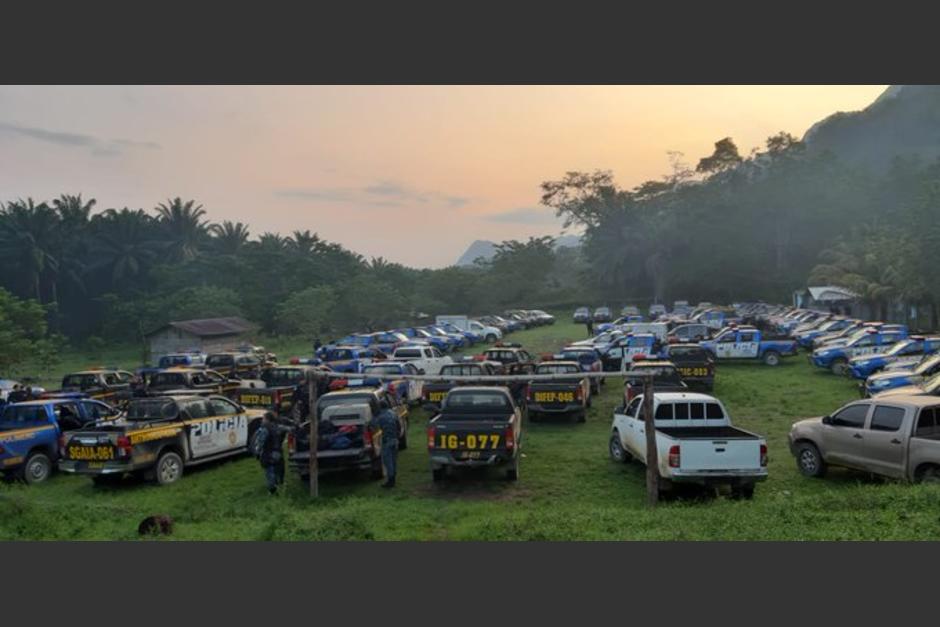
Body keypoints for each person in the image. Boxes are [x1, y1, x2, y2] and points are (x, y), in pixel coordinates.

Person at [254, 411, 292, 495]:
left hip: (268, 453)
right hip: (278, 452)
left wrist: (257, 452)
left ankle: (273, 490)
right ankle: (281, 483)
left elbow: (261, 442)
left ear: (267, 419)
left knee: (270, 471)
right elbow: (289, 429)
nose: (262, 420)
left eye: (263, 418)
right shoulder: (278, 427)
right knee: (279, 468)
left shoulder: (265, 428)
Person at [370, 398, 400, 488]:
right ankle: (393, 479)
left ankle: (390, 481)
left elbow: (373, 425)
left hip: (387, 441)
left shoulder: (380, 416)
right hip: (395, 440)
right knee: (394, 461)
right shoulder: (393, 413)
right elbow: (398, 425)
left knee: (388, 462)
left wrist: (373, 416)